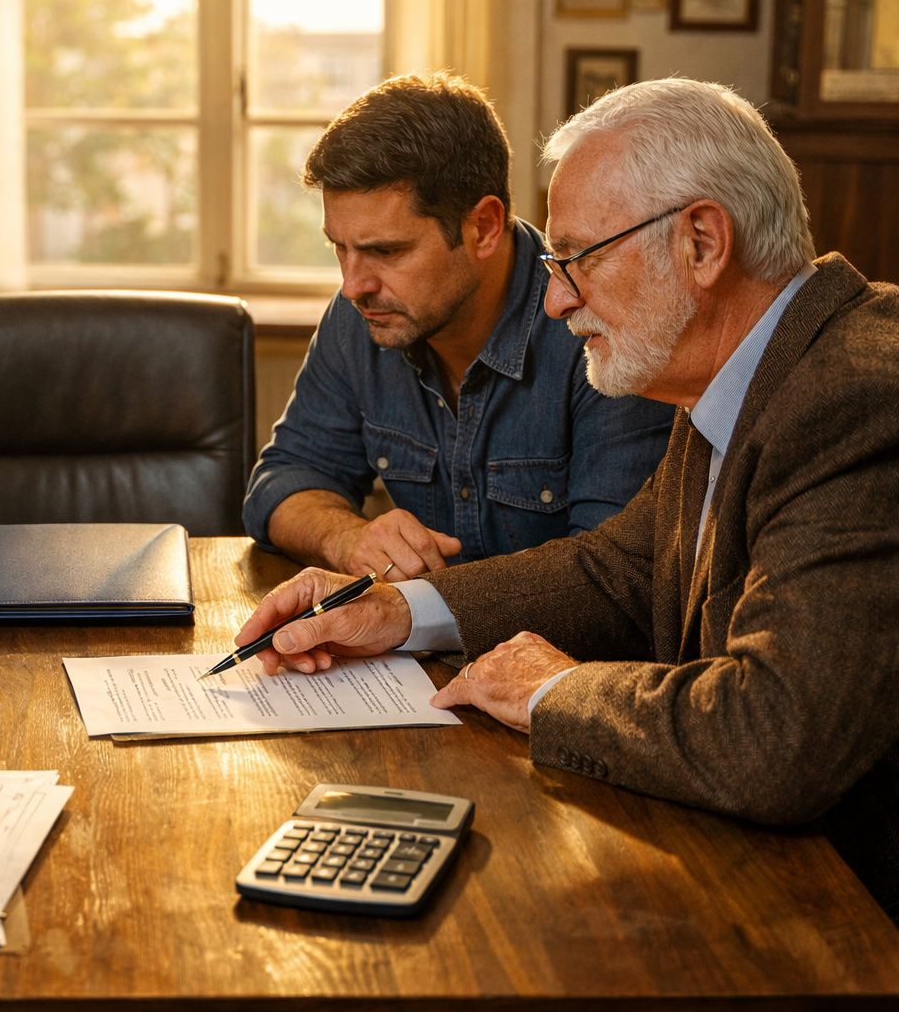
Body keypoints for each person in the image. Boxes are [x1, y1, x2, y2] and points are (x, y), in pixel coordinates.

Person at [233, 79, 899, 917]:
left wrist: (553, 691)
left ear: (701, 242)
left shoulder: (854, 398)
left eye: (578, 258)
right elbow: (620, 567)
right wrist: (397, 612)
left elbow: (778, 740)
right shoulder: (734, 378)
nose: (555, 299)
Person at [244, 73, 672, 580]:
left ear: (484, 227)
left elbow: (610, 575)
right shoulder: (364, 315)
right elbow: (280, 481)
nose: (353, 284)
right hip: (414, 649)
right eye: (340, 247)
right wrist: (348, 537)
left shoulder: (595, 326)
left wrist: (423, 609)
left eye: (386, 251)